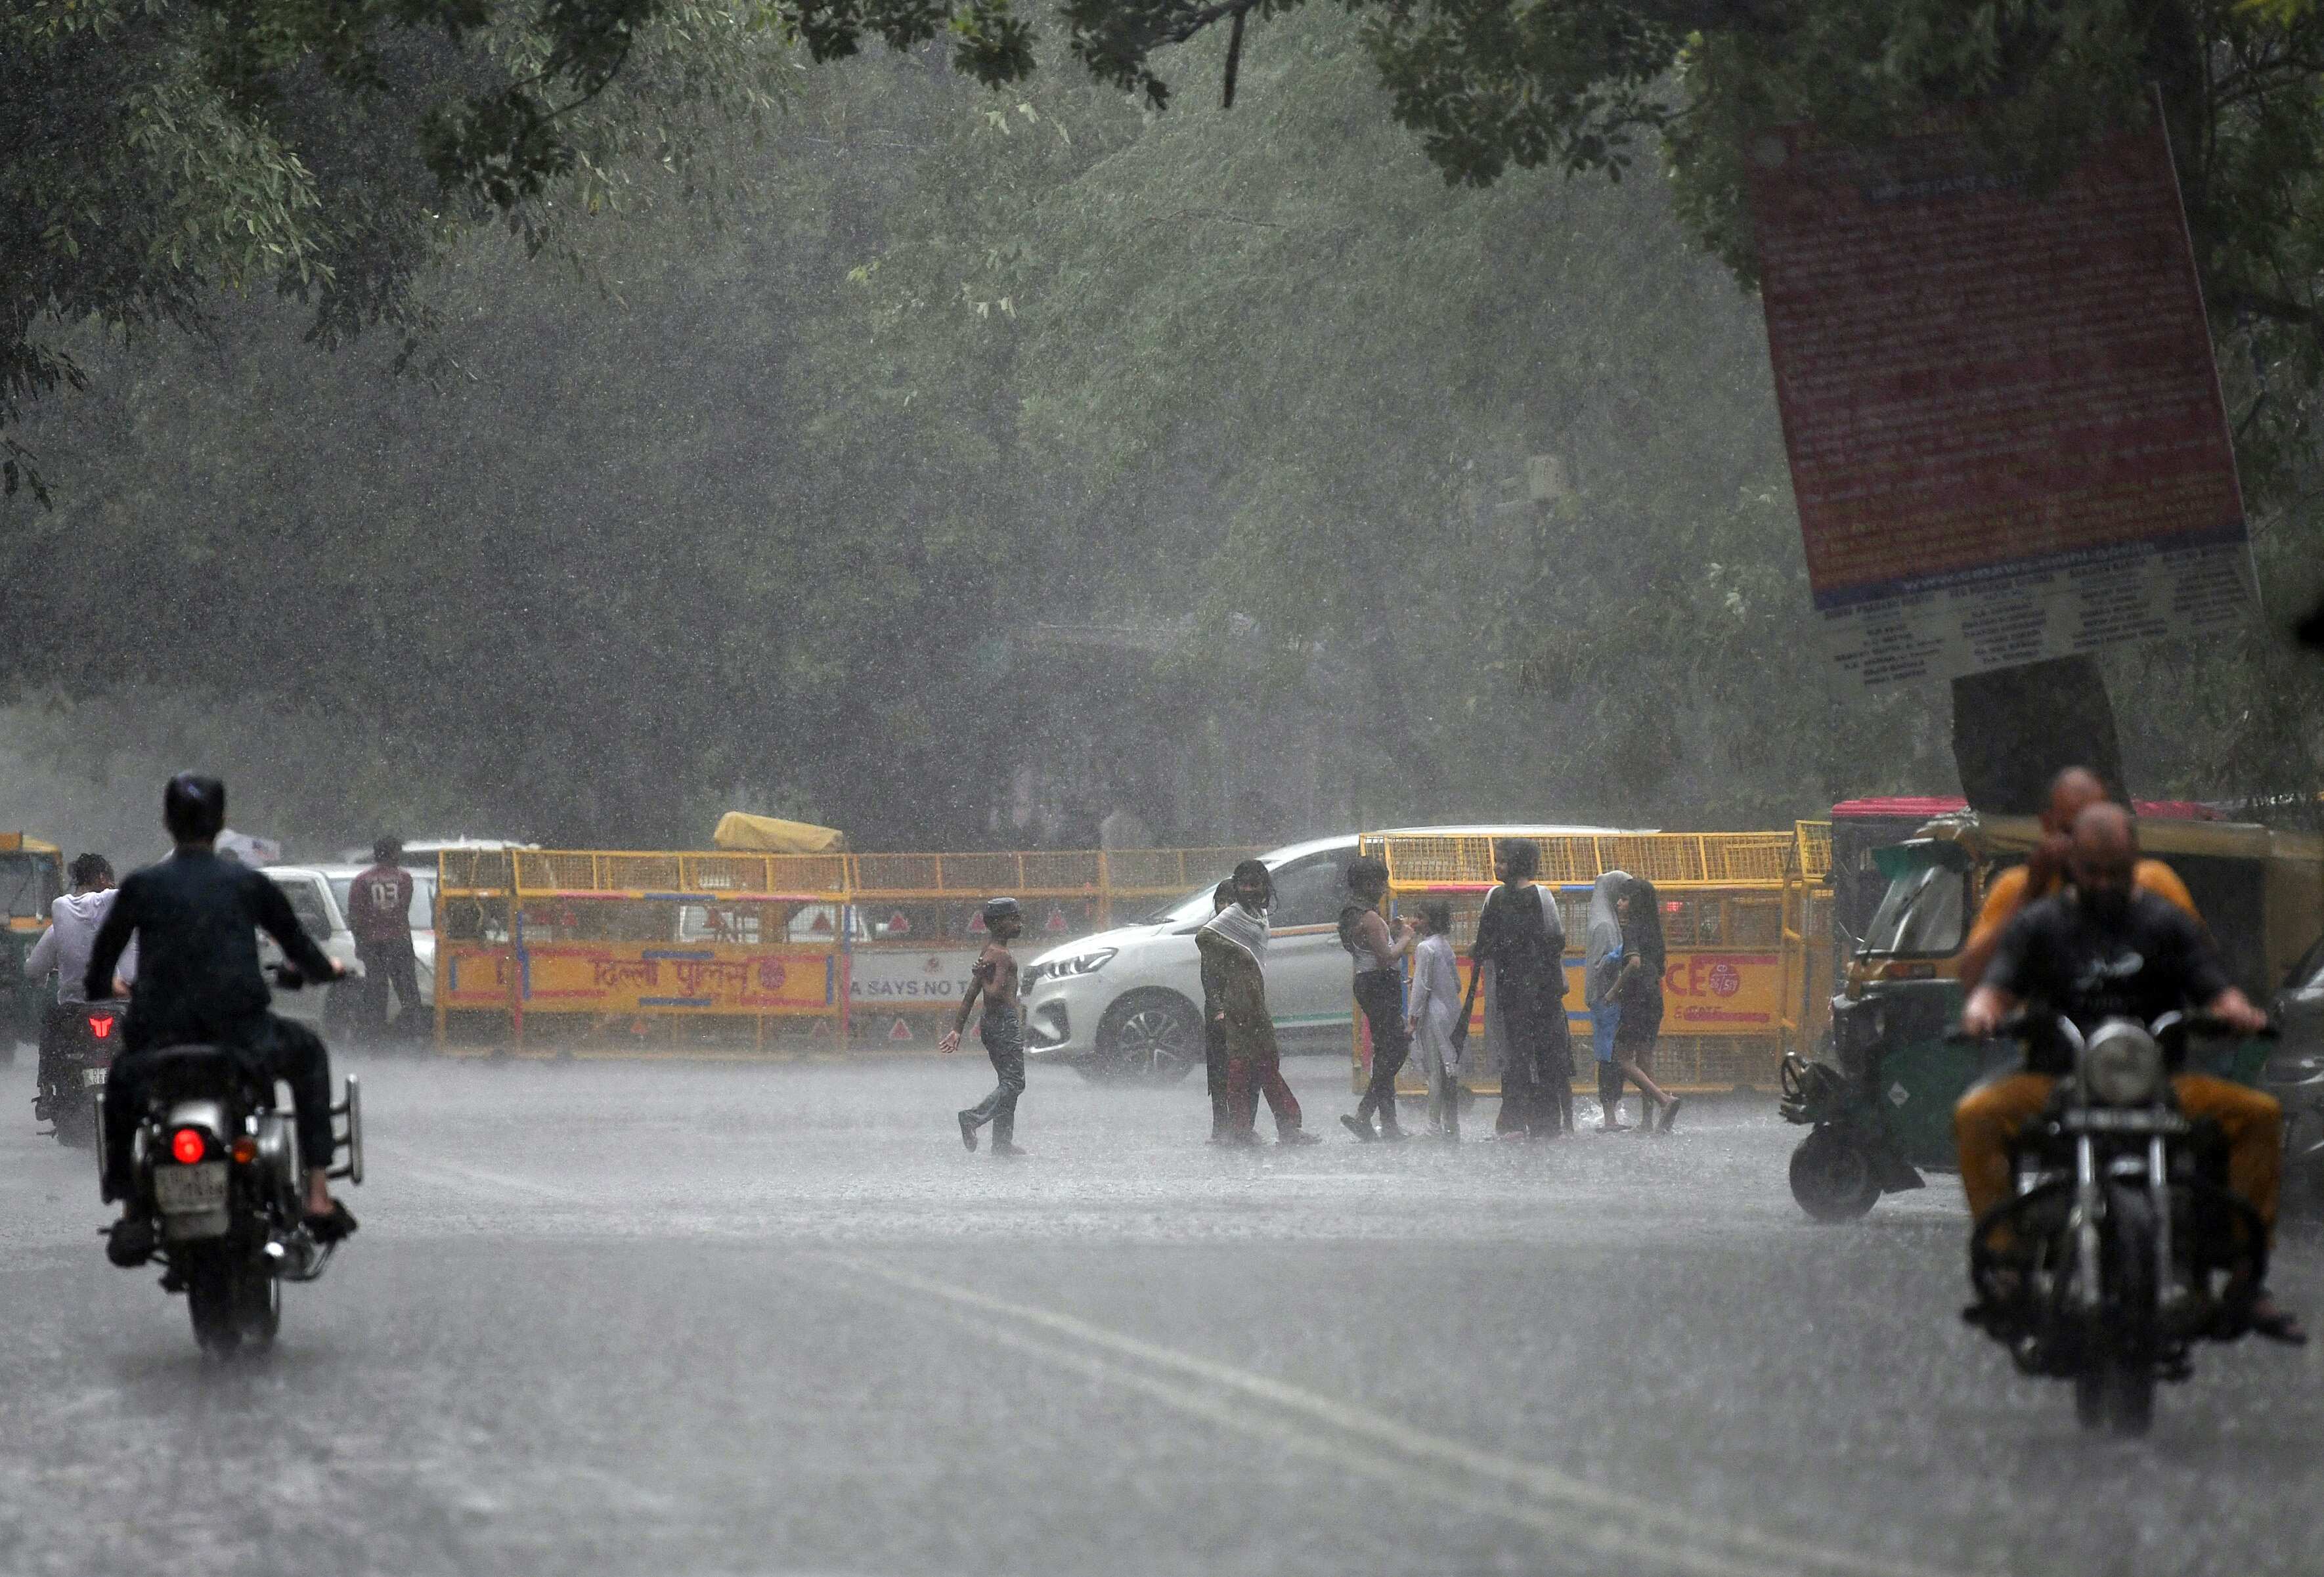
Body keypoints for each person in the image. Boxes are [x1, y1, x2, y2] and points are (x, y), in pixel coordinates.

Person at [1957, 802, 2299, 1342]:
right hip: (2055, 1080)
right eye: (2091, 869)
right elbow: (1997, 984)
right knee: (1976, 1114)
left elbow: (2212, 982)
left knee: (2259, 1115)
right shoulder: (2039, 925)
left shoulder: (2164, 921)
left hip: (2160, 1082)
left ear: (2132, 860)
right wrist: (1983, 1012)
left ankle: (2243, 1274)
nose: (2102, 882)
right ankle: (2005, 1263)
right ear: (2073, 865)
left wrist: (2234, 1009)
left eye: (2114, 869)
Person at [85, 774, 355, 1267]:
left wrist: (116, 988)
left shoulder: (142, 886)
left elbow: (97, 975)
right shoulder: (248, 884)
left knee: (122, 1083)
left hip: (160, 1047)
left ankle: (130, 1208)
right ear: (222, 823)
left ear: (167, 823)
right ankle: (317, 1194)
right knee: (310, 1054)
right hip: (243, 1040)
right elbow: (306, 956)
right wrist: (328, 969)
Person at [1959, 766, 2197, 990]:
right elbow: (1972, 979)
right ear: (2048, 825)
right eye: (2071, 833)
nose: (2086, 848)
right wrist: (2032, 890)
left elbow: (2202, 970)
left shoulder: (2152, 880)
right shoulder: (2018, 885)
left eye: (2097, 830)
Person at [1196, 859, 1319, 1146]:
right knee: (1243, 1064)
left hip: (1255, 995)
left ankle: (1267, 1127)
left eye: (1256, 884)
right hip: (1239, 998)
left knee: (1264, 1062)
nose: (1250, 890)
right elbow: (1204, 937)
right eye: (1245, 885)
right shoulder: (1235, 914)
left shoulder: (1259, 913)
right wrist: (1239, 955)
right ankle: (1257, 1127)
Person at [1468, 839, 1573, 1138]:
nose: (1497, 866)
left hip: (1530, 992)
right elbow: (1554, 940)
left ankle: (1532, 1121)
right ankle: (1527, 1121)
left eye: (1502, 861)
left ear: (1518, 863)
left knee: (1531, 1055)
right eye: (1496, 860)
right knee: (1521, 1056)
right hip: (1521, 992)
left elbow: (1553, 941)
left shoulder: (1533, 896)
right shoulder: (1502, 896)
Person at [23, 853, 135, 1108]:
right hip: (120, 1005)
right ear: (104, 878)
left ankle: (48, 1092)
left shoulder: (60, 918)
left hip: (74, 1008)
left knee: (51, 1026)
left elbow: (34, 969)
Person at [941, 896, 1029, 1157]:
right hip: (1003, 1022)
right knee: (1014, 1083)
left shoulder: (989, 950)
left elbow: (972, 992)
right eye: (1014, 919)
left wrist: (958, 1028)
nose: (1019, 924)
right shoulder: (1000, 956)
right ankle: (972, 1118)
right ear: (999, 924)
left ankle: (1002, 1143)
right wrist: (984, 977)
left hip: (992, 1024)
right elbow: (993, 993)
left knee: (1007, 1081)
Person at [1339, 857, 1418, 1142]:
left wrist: (1391, 934)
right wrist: (1406, 937)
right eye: (1381, 882)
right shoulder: (1370, 917)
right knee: (1395, 1050)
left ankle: (1387, 1121)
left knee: (1387, 1051)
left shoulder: (1351, 914)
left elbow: (1368, 947)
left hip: (1366, 982)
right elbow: (1386, 957)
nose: (1385, 888)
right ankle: (1366, 1114)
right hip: (1379, 983)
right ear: (1368, 884)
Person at [1612, 876, 1681, 1134]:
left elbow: (1634, 963)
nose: (1619, 904)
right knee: (1645, 1059)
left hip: (1636, 1000)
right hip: (1654, 1000)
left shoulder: (1631, 929)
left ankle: (1665, 1100)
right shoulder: (1654, 931)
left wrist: (1612, 992)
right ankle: (1647, 1121)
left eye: (1624, 899)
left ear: (1635, 904)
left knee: (1621, 1058)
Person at [346, 836, 424, 1045]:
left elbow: (355, 916)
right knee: (408, 992)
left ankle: (376, 1037)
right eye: (398, 851)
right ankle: (412, 1036)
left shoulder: (361, 880)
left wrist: (360, 943)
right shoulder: (405, 879)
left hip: (372, 943)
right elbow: (403, 909)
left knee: (376, 991)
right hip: (399, 941)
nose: (400, 855)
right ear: (392, 853)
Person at [1405, 899, 1463, 1140]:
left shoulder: (1424, 948)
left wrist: (1412, 1020)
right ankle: (1452, 1124)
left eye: (1420, 916)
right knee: (1449, 1072)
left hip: (1432, 1016)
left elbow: (1422, 988)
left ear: (1430, 921)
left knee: (1435, 1075)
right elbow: (1456, 984)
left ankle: (1433, 1126)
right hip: (1450, 1014)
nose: (1415, 921)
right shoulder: (1444, 946)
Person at [1583, 871, 1631, 1131]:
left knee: (1611, 1057)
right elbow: (1601, 965)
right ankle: (1610, 1116)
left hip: (1609, 999)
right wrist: (1621, 953)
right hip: (1606, 999)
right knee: (1609, 1058)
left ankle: (1611, 1114)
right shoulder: (1604, 926)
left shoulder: (1606, 921)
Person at [1198, 878, 1237, 1142]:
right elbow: (1208, 977)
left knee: (1240, 1069)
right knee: (1220, 1071)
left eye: (1230, 901)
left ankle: (1238, 1125)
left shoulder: (1245, 929)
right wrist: (1218, 1008)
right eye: (1221, 901)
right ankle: (1220, 1125)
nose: (1224, 906)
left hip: (1243, 1005)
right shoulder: (1213, 933)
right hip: (1221, 1010)